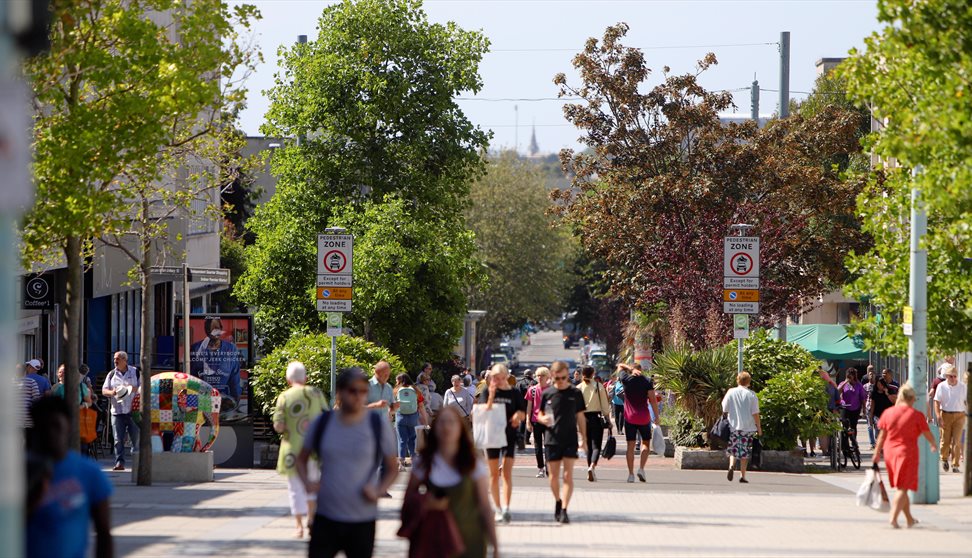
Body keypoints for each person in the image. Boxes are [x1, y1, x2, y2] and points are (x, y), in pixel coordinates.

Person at [296, 368, 398, 558]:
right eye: (352, 391)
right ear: (340, 392)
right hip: (326, 516)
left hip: (362, 518)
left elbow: (392, 467)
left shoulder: (377, 426)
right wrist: (308, 483)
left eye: (363, 391)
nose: (358, 396)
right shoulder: (323, 423)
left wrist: (378, 490)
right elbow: (301, 459)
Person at [404, 406, 498, 558]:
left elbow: (485, 506)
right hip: (432, 541)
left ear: (461, 428)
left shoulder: (473, 463)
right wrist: (425, 501)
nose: (447, 426)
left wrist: (496, 546)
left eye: (452, 422)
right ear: (434, 428)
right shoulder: (424, 462)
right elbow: (408, 498)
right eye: (442, 422)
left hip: (470, 541)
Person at [27, 396, 113, 558]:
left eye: (56, 426)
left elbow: (103, 532)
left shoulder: (89, 473)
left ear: (68, 426)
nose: (51, 434)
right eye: (43, 428)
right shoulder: (20, 472)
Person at [273, 361, 328, 538]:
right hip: (313, 449)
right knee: (312, 482)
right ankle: (311, 518)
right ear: (305, 378)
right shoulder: (316, 393)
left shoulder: (284, 397)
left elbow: (279, 425)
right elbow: (328, 418)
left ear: (289, 379)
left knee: (294, 488)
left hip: (292, 450)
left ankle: (298, 526)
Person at [874, 383, 937, 528]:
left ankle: (909, 519)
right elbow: (927, 434)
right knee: (903, 488)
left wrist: (877, 453)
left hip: (890, 453)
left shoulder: (888, 413)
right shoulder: (916, 415)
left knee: (902, 486)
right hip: (907, 453)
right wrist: (933, 444)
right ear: (911, 399)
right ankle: (893, 518)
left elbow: (882, 436)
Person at [536, 361, 586, 524]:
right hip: (552, 439)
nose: (561, 381)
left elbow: (580, 417)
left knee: (567, 476)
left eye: (564, 377)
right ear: (552, 376)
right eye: (557, 378)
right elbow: (540, 414)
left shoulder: (575, 393)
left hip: (570, 439)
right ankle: (558, 501)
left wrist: (584, 440)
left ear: (568, 375)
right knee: (553, 477)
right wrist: (542, 419)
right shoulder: (547, 393)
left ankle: (564, 509)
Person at [477, 363, 526, 524]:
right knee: (493, 474)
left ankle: (506, 508)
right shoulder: (487, 391)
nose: (498, 381)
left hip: (509, 436)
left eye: (501, 378)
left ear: (506, 377)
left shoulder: (515, 392)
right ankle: (497, 508)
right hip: (491, 436)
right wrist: (491, 396)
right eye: (495, 378)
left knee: (506, 472)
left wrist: (517, 416)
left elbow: (523, 413)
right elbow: (482, 413)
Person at [617, 363, 660, 483]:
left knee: (630, 446)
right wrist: (656, 417)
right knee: (645, 443)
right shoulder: (647, 381)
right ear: (641, 370)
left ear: (632, 370)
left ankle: (630, 474)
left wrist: (629, 368)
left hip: (630, 418)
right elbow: (653, 401)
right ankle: (641, 468)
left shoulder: (626, 378)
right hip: (644, 418)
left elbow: (620, 365)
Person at [189, 317, 242, 411]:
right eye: (209, 329)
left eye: (216, 328)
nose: (212, 332)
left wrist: (236, 400)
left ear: (221, 329)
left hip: (225, 403)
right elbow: (191, 377)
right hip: (201, 403)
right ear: (206, 331)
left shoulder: (231, 349)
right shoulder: (195, 348)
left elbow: (235, 377)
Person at [101, 351, 140, 472]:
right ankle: (119, 462)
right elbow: (104, 390)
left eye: (117, 359)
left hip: (133, 410)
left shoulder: (135, 372)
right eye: (114, 359)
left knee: (136, 439)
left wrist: (131, 389)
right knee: (118, 439)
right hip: (117, 411)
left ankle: (138, 462)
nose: (115, 361)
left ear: (125, 360)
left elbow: (143, 388)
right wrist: (112, 392)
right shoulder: (111, 374)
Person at [722, 371, 762, 484]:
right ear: (748, 381)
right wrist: (759, 427)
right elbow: (755, 413)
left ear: (738, 380)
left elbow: (724, 408)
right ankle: (742, 476)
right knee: (744, 452)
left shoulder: (731, 392)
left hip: (734, 426)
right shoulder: (751, 394)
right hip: (748, 427)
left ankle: (731, 465)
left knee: (733, 449)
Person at [578, 365, 611, 482]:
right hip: (596, 418)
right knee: (596, 446)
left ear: (582, 374)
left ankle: (589, 468)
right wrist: (608, 419)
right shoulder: (598, 386)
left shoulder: (578, 388)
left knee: (588, 447)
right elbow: (605, 406)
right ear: (593, 374)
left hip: (583, 419)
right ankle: (592, 466)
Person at [933, 364, 967, 473]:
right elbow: (936, 402)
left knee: (956, 441)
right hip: (946, 414)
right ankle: (944, 459)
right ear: (946, 376)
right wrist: (938, 416)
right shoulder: (941, 386)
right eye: (951, 376)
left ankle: (955, 465)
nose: (953, 378)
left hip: (960, 415)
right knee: (945, 440)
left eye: (955, 376)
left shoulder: (962, 386)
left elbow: (967, 401)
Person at [394, 374, 429, 471]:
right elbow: (421, 407)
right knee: (412, 439)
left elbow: (393, 405)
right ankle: (414, 461)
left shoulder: (396, 390)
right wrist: (425, 422)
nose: (396, 382)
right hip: (413, 417)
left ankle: (401, 464)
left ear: (400, 380)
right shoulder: (416, 390)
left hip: (400, 417)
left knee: (402, 440)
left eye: (397, 380)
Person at [525, 367, 551, 478]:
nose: (540, 378)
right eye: (538, 375)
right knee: (538, 446)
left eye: (542, 375)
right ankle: (541, 468)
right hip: (536, 421)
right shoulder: (532, 389)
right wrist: (527, 421)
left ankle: (549, 467)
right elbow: (529, 407)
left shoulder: (551, 390)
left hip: (549, 421)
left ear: (547, 377)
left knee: (549, 445)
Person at [838, 368, 866, 448]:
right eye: (848, 375)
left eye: (852, 375)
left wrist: (864, 409)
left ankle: (854, 443)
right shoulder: (843, 383)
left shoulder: (858, 385)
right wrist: (845, 382)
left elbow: (862, 398)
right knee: (844, 425)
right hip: (845, 407)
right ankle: (844, 445)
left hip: (855, 408)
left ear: (854, 376)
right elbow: (838, 391)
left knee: (853, 426)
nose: (850, 377)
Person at [515, 370, 536, 448]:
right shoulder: (534, 383)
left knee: (522, 422)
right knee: (530, 421)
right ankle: (526, 439)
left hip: (521, 405)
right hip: (532, 406)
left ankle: (521, 439)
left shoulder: (518, 383)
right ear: (531, 375)